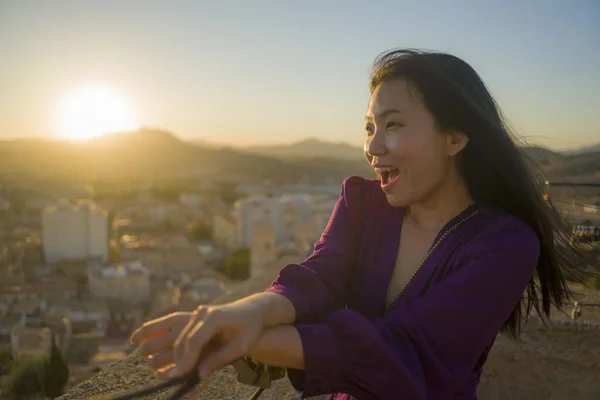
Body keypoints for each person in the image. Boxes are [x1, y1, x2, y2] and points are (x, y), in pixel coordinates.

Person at [129, 49, 579, 399]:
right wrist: (245, 313)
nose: (373, 147)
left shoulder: (504, 244)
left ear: (455, 137)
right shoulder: (365, 204)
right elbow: (320, 276)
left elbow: (404, 352)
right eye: (369, 128)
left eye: (394, 125)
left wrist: (249, 342)